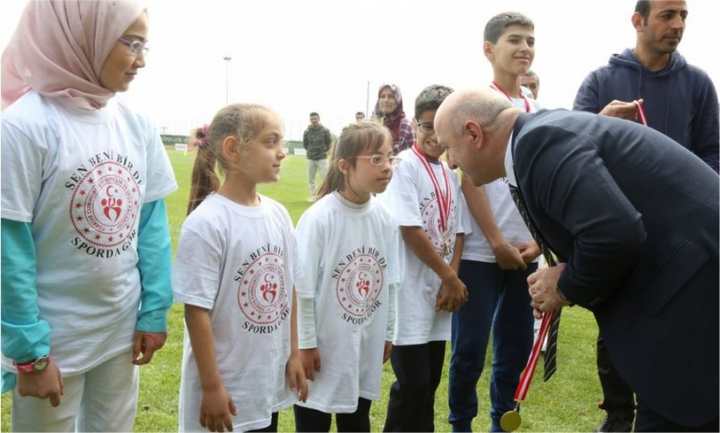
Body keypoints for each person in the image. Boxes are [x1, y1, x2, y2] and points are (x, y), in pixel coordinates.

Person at [435, 88, 719, 432]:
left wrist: (565, 286)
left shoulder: (539, 145)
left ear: (473, 133)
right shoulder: (540, 136)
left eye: (449, 147)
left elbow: (615, 233)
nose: (450, 161)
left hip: (693, 303)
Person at [0, 1, 177, 431]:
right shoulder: (24, 126)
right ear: (82, 36)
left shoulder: (137, 124)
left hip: (119, 332)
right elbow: (10, 248)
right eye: (130, 43)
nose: (141, 60)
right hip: (55, 340)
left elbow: (151, 225)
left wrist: (153, 311)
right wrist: (31, 352)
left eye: (145, 45)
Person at [573, 2, 719, 430]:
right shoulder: (600, 81)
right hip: (620, 239)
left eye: (684, 16)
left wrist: (692, 195)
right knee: (618, 336)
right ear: (638, 20)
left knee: (684, 341)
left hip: (685, 247)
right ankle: (618, 420)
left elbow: (712, 150)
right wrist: (599, 122)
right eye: (667, 15)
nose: (677, 25)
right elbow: (569, 149)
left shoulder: (698, 85)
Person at [174, 104, 307, 433]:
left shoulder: (278, 215)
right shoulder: (207, 223)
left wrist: (293, 353)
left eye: (282, 142)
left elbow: (288, 289)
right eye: (270, 142)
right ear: (233, 149)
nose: (282, 153)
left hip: (263, 384)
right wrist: (211, 387)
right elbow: (196, 312)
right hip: (224, 390)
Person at [448, 13, 541, 433]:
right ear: (489, 49)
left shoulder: (536, 111)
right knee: (469, 350)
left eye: (530, 41)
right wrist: (496, 239)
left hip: (526, 253)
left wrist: (537, 243)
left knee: (515, 351)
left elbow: (542, 182)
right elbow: (468, 177)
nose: (525, 48)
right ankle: (460, 425)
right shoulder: (475, 104)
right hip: (484, 252)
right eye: (514, 41)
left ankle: (502, 426)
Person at [293, 121, 402, 432]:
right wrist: (306, 343)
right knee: (313, 421)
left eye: (390, 157)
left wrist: (388, 332)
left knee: (356, 420)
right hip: (322, 348)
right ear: (344, 165)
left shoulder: (384, 218)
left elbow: (391, 282)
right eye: (376, 159)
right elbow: (303, 290)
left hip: (364, 344)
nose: (387, 167)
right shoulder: (319, 219)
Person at [380, 84, 469, 432]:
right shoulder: (404, 167)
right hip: (410, 294)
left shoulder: (450, 173)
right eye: (426, 125)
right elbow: (410, 229)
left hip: (439, 296)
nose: (433, 134)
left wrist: (452, 280)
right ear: (415, 125)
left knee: (429, 384)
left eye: (441, 125)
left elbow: (459, 232)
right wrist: (449, 276)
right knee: (412, 385)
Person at [373, 84, 416, 155]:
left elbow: (414, 155)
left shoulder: (405, 125)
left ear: (398, 101)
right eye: (382, 96)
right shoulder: (374, 124)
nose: (386, 100)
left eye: (390, 97)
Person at [303, 112, 333, 201]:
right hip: (311, 158)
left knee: (325, 178)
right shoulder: (307, 131)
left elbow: (329, 143)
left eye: (315, 119)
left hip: (322, 158)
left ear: (319, 119)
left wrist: (324, 151)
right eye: (312, 119)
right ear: (310, 120)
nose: (313, 120)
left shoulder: (325, 130)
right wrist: (311, 151)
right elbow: (305, 144)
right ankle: (314, 196)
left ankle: (326, 196)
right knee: (311, 179)